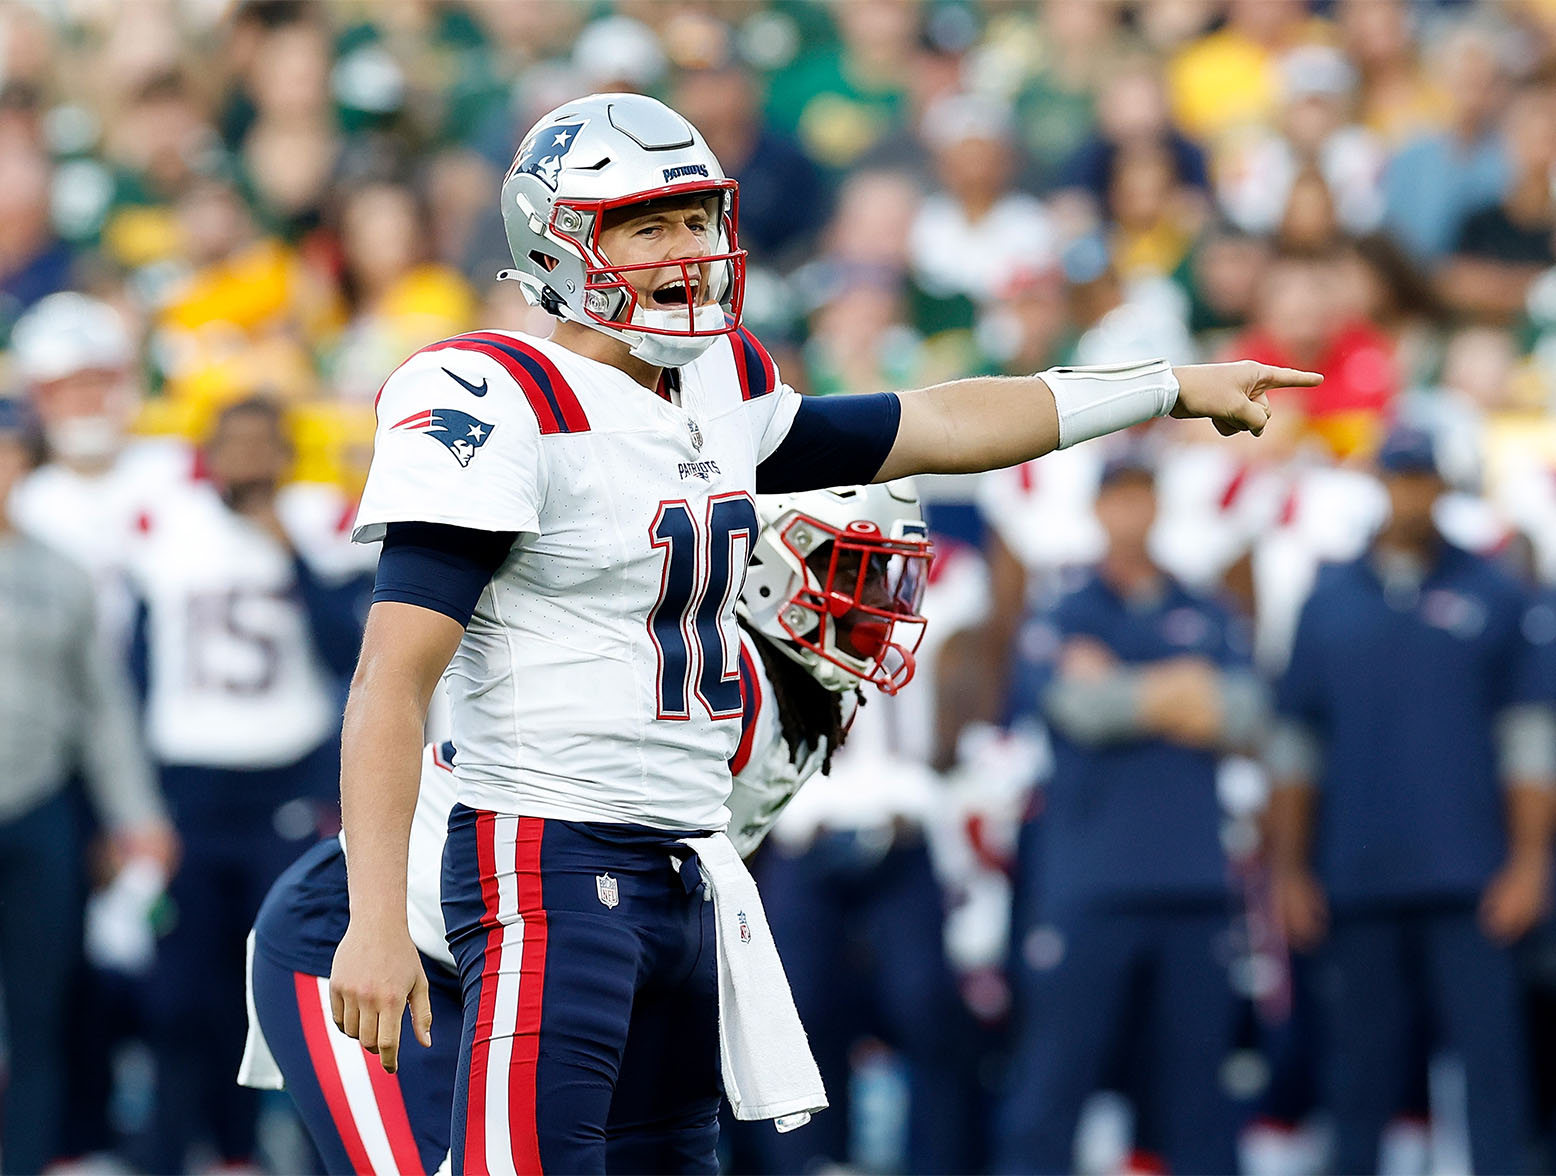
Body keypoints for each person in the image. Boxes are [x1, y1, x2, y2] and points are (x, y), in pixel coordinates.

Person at [327, 91, 1316, 1174]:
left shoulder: (717, 386)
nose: (686, 247)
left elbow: (936, 424)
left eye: (697, 217)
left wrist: (1165, 387)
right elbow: (389, 681)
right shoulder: (497, 396)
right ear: (556, 238)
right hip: (541, 853)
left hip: (685, 862)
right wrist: (373, 915)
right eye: (646, 224)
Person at [244, 481, 931, 1173]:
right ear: (765, 567)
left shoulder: (798, 698)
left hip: (524, 958)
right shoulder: (704, 673)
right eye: (853, 570)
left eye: (881, 575)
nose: (875, 602)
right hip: (377, 931)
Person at [1267, 425, 1555, 1174]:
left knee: (1494, 1077)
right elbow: (1296, 747)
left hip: (1472, 880)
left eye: (1423, 479)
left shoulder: (1494, 592)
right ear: (1378, 484)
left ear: (1444, 488)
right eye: (1398, 478)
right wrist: (1290, 871)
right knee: (1358, 1080)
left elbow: (1528, 741)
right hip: (1357, 876)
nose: (1411, 494)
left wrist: (1528, 863)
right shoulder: (1328, 600)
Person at [993, 451, 1267, 1175]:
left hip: (1193, 883)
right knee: (1055, 1084)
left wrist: (1125, 687)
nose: (1131, 513)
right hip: (1090, 882)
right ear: (1096, 508)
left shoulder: (1206, 605)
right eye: (1118, 498)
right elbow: (1077, 709)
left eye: (1142, 496)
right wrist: (1182, 688)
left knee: (1198, 1096)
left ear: (1160, 504)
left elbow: (1243, 712)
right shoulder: (1064, 606)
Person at [130, 396, 371, 1172]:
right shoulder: (168, 527)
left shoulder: (321, 522)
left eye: (260, 444)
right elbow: (136, 668)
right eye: (229, 443)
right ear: (207, 452)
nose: (245, 458)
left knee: (295, 983)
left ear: (286, 453)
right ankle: (182, 1153)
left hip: (286, 784)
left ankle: (307, 1157)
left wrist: (290, 556)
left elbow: (353, 656)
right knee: (181, 995)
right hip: (190, 783)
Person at [0, 396, 174, 1174]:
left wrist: (136, 813)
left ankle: (30, 1158)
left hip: (40, 801)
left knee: (44, 1005)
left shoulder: (61, 572)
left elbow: (102, 705)